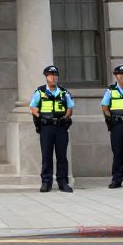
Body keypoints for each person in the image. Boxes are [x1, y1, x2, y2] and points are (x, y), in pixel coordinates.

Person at [29, 64, 75, 193]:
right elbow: (33, 107)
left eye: (55, 75)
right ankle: (46, 182)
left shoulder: (64, 92)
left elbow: (70, 108)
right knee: (47, 155)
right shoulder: (40, 92)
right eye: (51, 75)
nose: (53, 78)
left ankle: (63, 182)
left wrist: (65, 117)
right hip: (47, 127)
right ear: (46, 77)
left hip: (60, 127)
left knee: (62, 156)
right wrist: (40, 117)